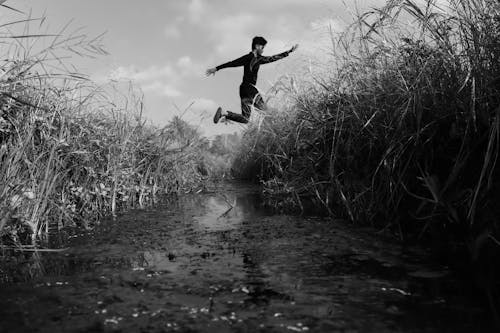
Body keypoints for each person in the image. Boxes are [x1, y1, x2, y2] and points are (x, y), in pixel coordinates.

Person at [206, 36, 298, 124]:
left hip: (243, 89)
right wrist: (289, 52)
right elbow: (272, 58)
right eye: (262, 47)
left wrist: (217, 68)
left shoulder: (248, 57)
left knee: (245, 119)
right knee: (266, 111)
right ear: (257, 46)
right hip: (250, 89)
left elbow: (232, 63)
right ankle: (284, 120)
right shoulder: (257, 58)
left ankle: (224, 113)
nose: (263, 49)